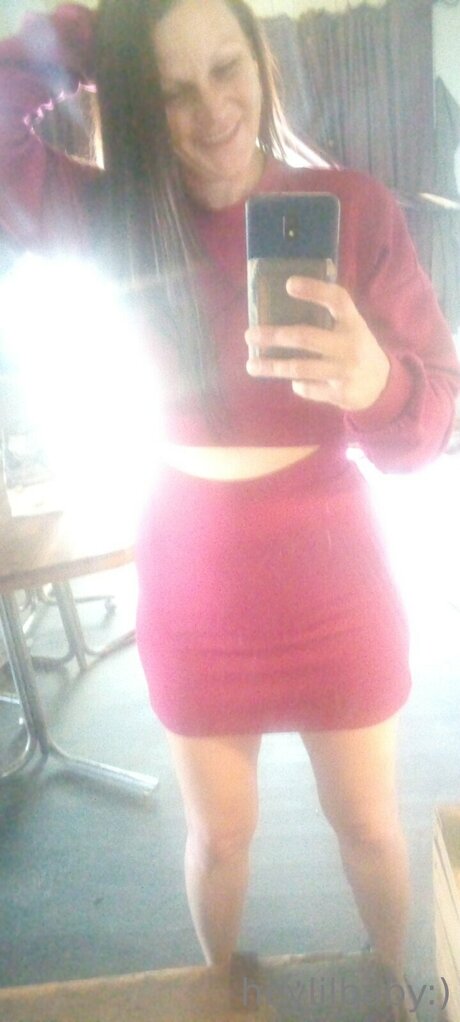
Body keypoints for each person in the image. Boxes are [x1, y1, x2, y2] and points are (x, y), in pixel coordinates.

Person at [1, 0, 459, 991]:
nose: (210, 109)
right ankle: (223, 1000)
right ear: (135, 97)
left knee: (369, 827)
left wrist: (376, 383)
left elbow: (431, 427)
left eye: (225, 68)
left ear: (262, 60)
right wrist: (89, 39)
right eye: (170, 89)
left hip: (334, 576)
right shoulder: (104, 215)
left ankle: (391, 993)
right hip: (193, 578)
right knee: (219, 839)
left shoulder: (353, 207)